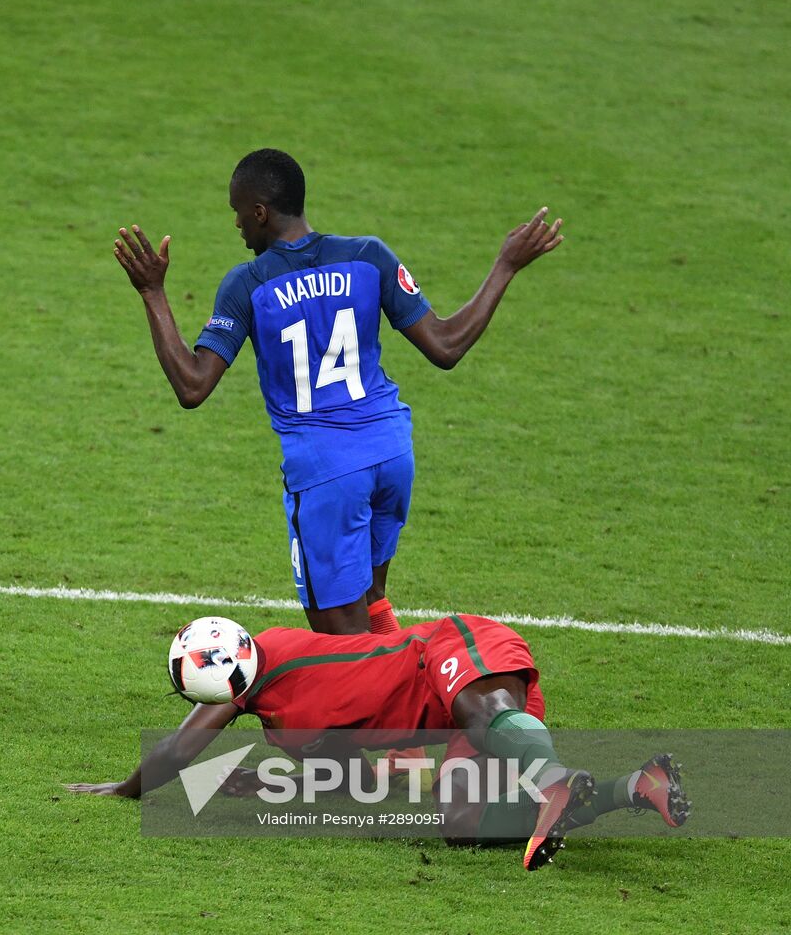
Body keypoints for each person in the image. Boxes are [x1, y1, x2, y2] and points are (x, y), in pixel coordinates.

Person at [114, 150, 563, 635]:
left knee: (343, 650)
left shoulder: (249, 283)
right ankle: (408, 696)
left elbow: (193, 384)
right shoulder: (369, 256)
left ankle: (408, 707)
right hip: (391, 452)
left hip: (328, 473)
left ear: (260, 212)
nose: (237, 224)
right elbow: (446, 345)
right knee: (372, 608)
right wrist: (505, 265)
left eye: (237, 212)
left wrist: (153, 294)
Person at [67, 615, 689, 871]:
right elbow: (362, 783)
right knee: (461, 826)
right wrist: (268, 783)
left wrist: (124, 790)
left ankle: (553, 777)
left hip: (452, 652)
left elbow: (179, 752)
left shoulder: (277, 660)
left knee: (479, 713)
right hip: (459, 725)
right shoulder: (288, 731)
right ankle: (630, 788)